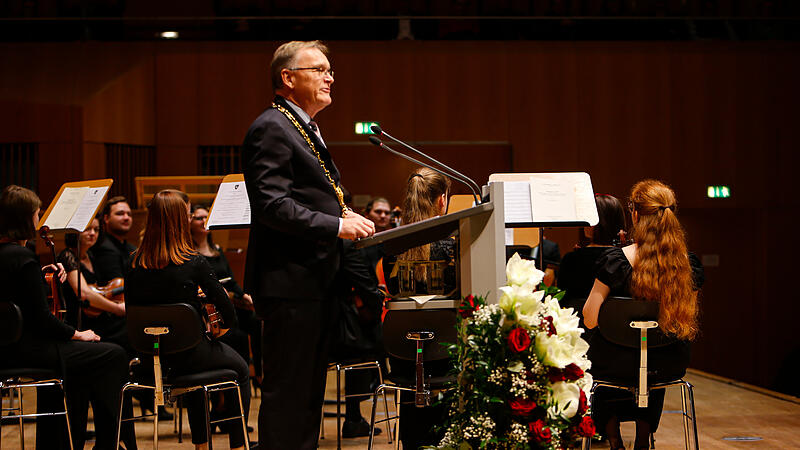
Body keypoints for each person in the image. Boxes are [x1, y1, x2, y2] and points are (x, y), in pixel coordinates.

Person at [241, 40, 375, 449]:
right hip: (291, 286)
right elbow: (272, 206)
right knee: (289, 398)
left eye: (329, 69)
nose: (330, 77)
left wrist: (344, 215)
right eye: (318, 69)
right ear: (288, 77)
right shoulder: (272, 126)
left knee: (307, 399)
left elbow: (308, 196)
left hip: (312, 284)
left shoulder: (299, 125)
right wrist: (336, 225)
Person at [0, 185, 130, 450]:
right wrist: (76, 333)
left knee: (83, 362)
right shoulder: (23, 257)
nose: (39, 219)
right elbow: (42, 319)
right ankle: (108, 444)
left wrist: (40, 276)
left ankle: (65, 442)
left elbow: (17, 297)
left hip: (8, 347)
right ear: (26, 218)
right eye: (37, 214)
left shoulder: (8, 255)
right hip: (29, 349)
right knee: (113, 354)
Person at [125, 189, 252, 450]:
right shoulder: (194, 262)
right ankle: (239, 445)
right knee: (239, 370)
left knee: (195, 375)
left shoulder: (133, 262)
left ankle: (201, 447)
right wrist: (216, 332)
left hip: (151, 357)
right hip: (191, 353)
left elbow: (133, 310)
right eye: (189, 214)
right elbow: (229, 314)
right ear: (178, 221)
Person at [582, 180, 704, 450]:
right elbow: (687, 319)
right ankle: (643, 438)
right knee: (653, 358)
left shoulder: (613, 261)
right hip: (667, 363)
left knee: (606, 358)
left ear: (635, 214)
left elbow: (590, 318)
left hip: (613, 364)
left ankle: (613, 439)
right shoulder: (689, 265)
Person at [382, 167, 454, 448]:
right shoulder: (453, 245)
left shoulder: (391, 246)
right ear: (441, 200)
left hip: (401, 354)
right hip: (444, 354)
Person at [190, 204, 262, 388]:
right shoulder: (191, 254)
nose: (204, 221)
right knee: (237, 334)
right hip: (213, 306)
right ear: (190, 223)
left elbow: (231, 279)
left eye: (207, 217)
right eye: (199, 218)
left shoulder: (218, 249)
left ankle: (259, 374)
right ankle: (237, 377)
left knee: (256, 321)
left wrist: (244, 295)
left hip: (230, 300)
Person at [558, 194, 626, 326]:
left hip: (576, 331)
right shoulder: (624, 260)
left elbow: (561, 305)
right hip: (616, 333)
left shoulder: (571, 260)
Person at [89, 196, 136, 286]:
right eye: (120, 214)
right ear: (106, 218)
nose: (126, 217)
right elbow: (118, 286)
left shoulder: (131, 248)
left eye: (129, 214)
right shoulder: (103, 248)